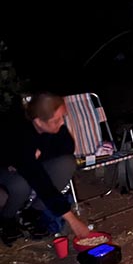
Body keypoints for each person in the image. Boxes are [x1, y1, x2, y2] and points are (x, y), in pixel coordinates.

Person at [0, 92, 92, 246]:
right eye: (56, 120)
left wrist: (40, 153)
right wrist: (72, 220)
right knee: (20, 185)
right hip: (6, 167)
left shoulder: (53, 126)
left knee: (67, 163)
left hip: (27, 164)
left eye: (62, 117)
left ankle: (32, 214)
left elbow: (67, 147)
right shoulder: (20, 132)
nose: (62, 123)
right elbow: (39, 180)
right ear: (39, 122)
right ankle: (6, 220)